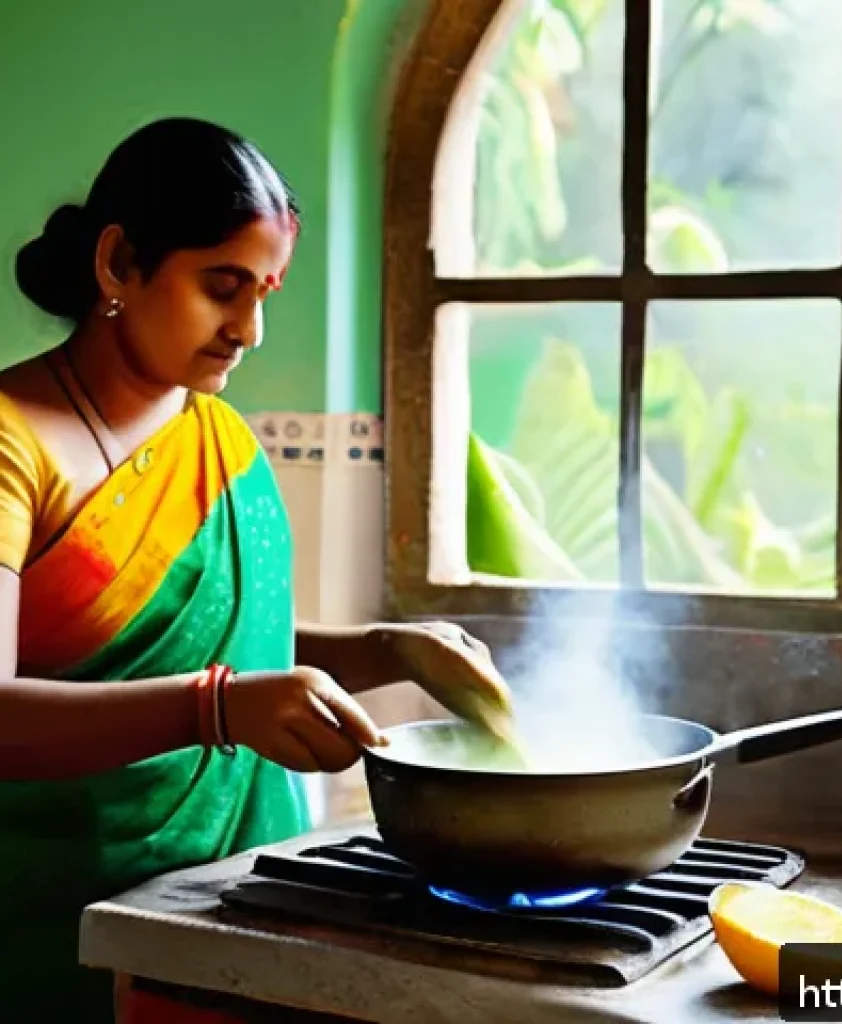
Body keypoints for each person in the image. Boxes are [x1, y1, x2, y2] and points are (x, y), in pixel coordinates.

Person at [0, 116, 510, 1022]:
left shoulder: (221, 439)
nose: (250, 329)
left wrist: (392, 649)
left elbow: (249, 652)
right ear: (118, 264)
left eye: (265, 291)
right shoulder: (13, 442)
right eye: (222, 287)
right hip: (58, 923)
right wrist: (219, 708)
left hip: (242, 911)